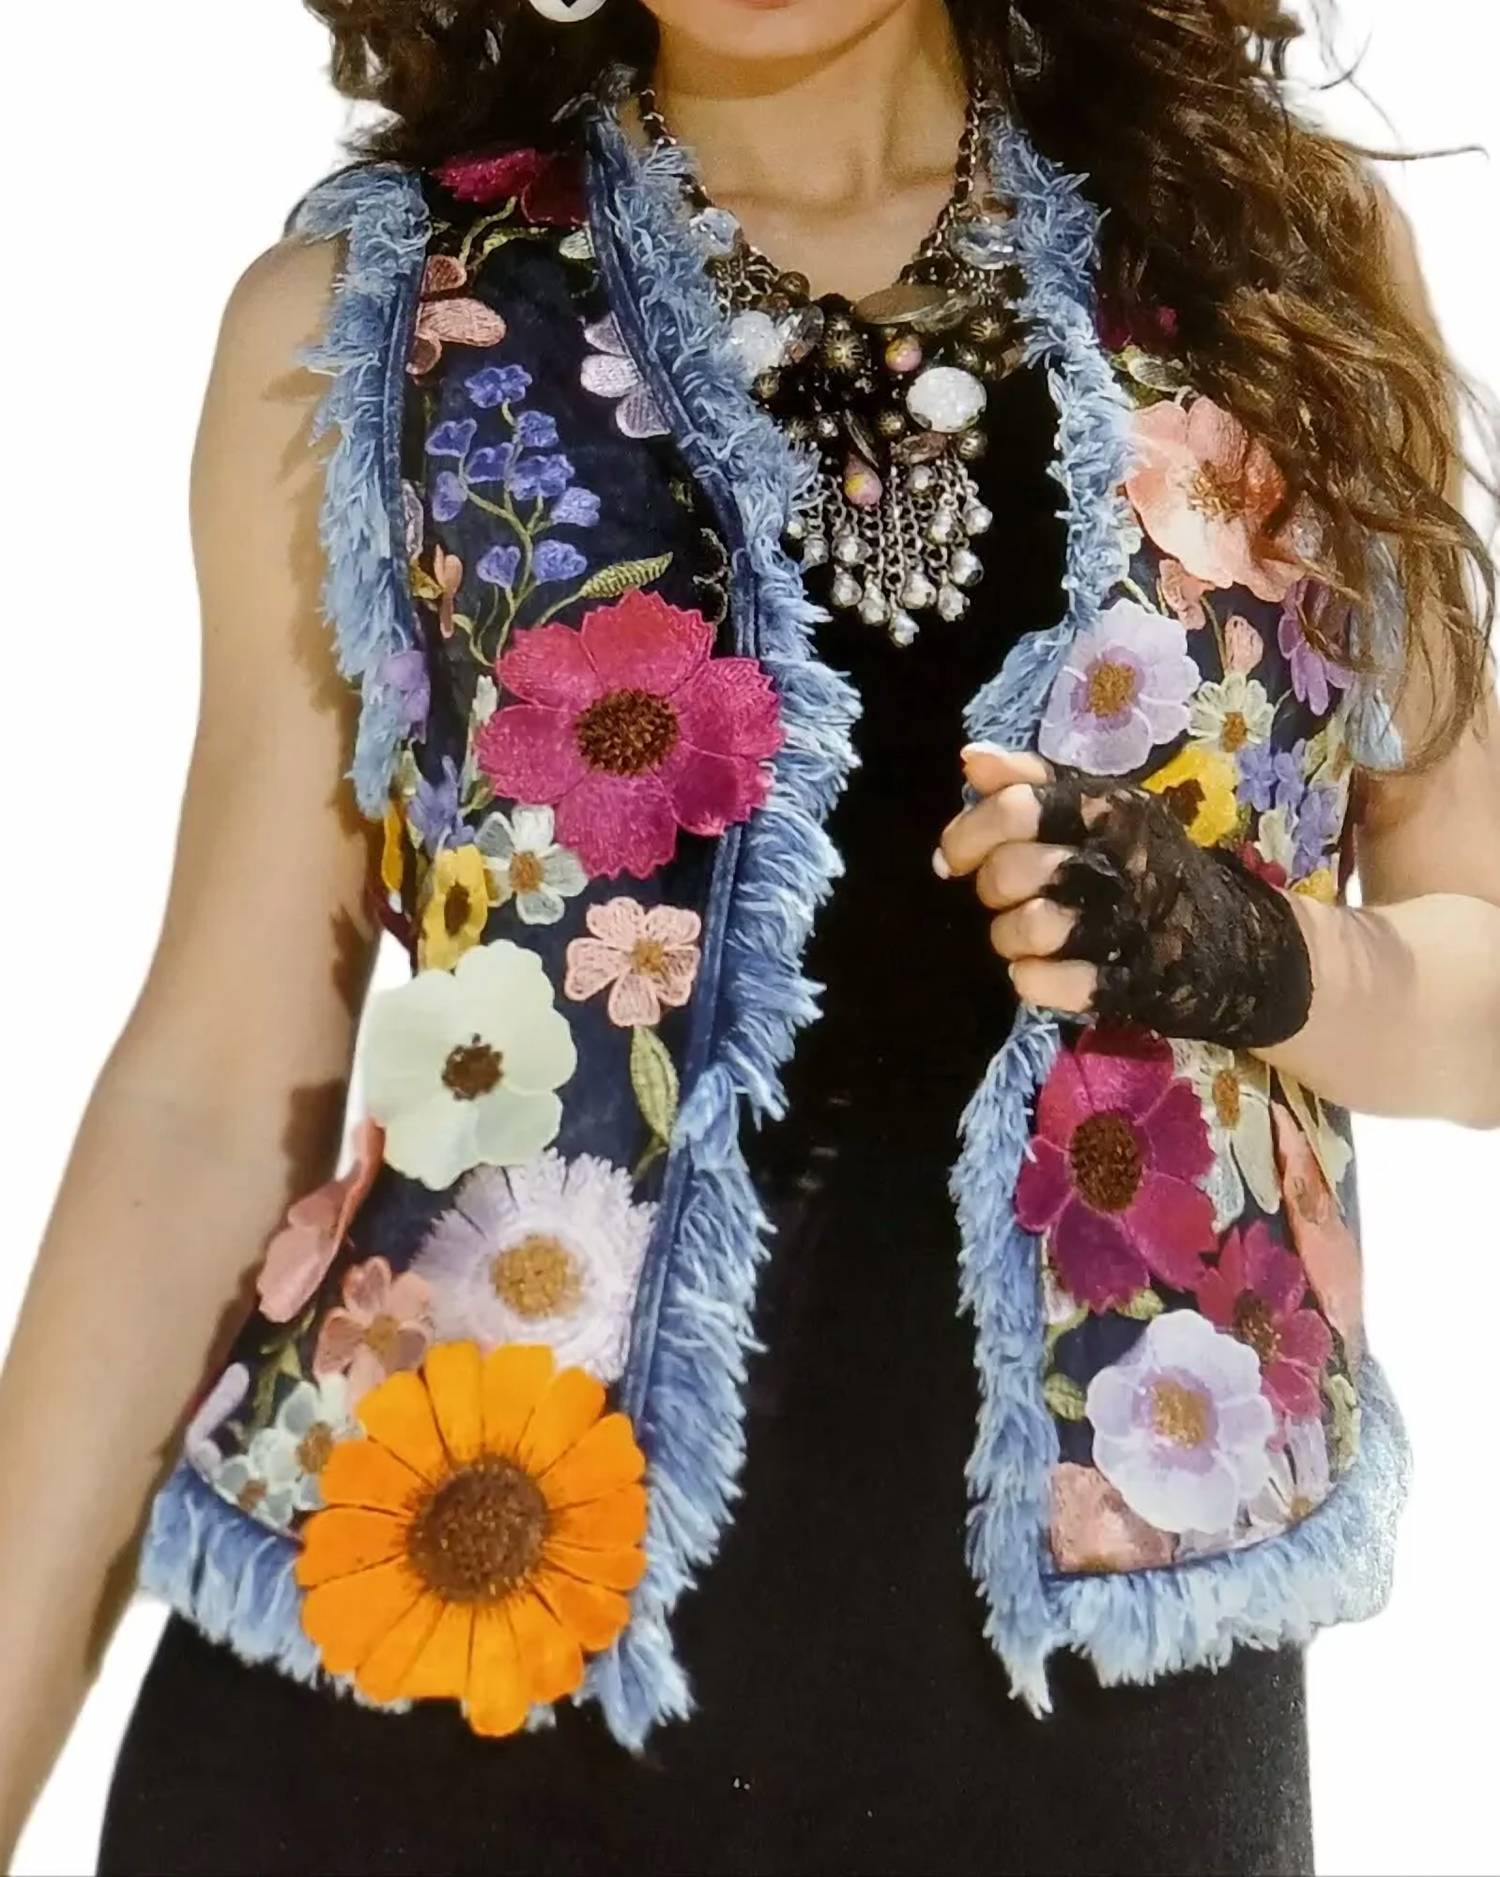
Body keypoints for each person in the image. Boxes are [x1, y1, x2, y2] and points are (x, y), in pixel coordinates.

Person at [2, 0, 1498, 1871]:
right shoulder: (368, 324)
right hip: (431, 1711)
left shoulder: (1272, 264)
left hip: (1080, 1752)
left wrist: (1262, 957)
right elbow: (216, 1091)